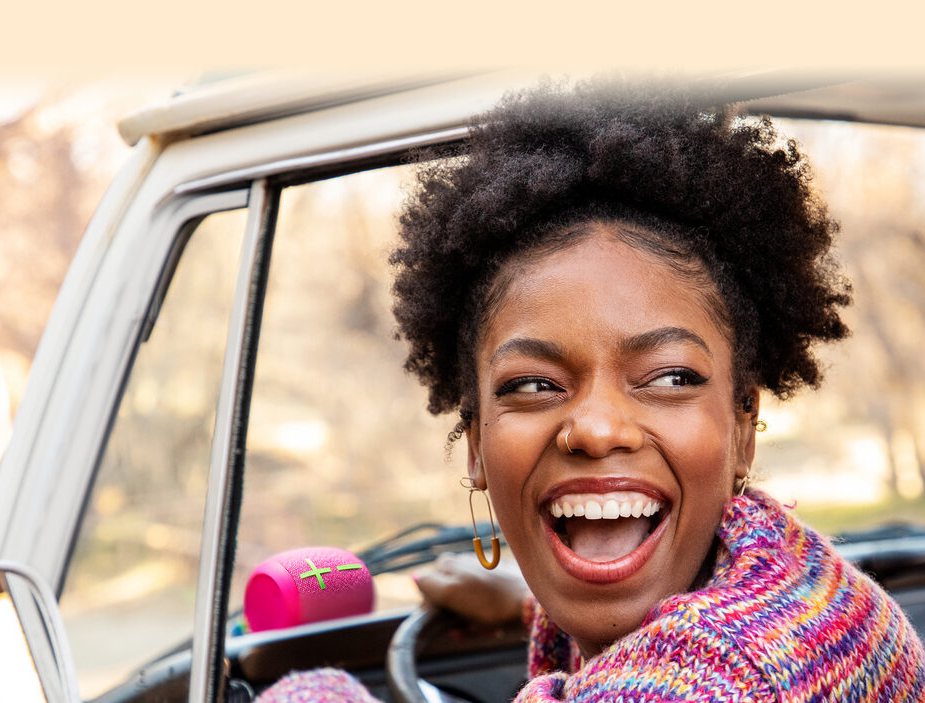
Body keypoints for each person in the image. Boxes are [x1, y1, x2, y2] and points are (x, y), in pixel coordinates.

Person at [256, 79, 925, 702]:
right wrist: (524, 597)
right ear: (477, 443)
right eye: (534, 383)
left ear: (744, 423)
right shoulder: (803, 587)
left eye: (669, 377)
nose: (598, 427)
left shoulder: (707, 675)